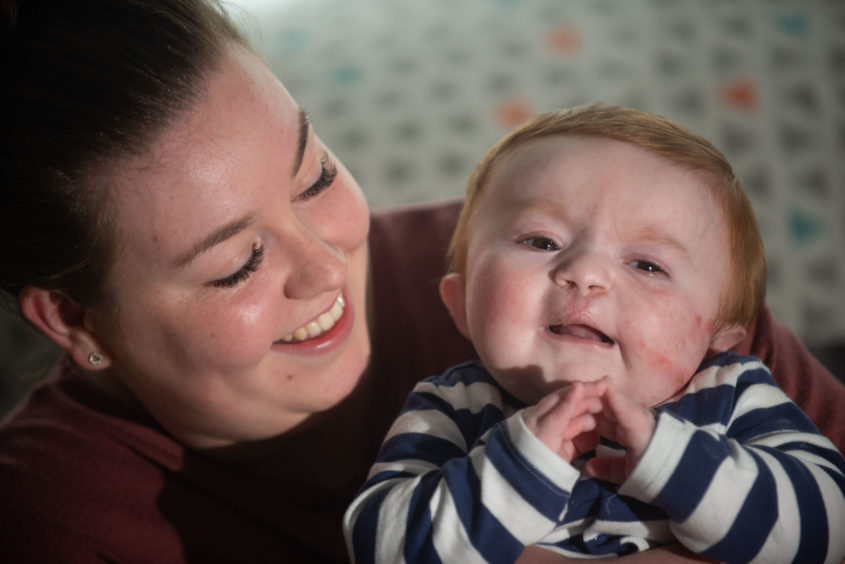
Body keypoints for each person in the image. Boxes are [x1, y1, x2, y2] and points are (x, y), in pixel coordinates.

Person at [0, 1, 843, 562]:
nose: (329, 263)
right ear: (74, 320)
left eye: (315, 176)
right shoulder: (54, 514)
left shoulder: (623, 286)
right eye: (238, 263)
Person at [343, 104, 845, 564]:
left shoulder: (732, 395)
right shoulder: (452, 407)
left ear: (717, 335)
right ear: (461, 305)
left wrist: (675, 461)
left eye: (647, 265)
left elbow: (833, 525)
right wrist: (519, 468)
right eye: (541, 240)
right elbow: (381, 546)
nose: (585, 272)